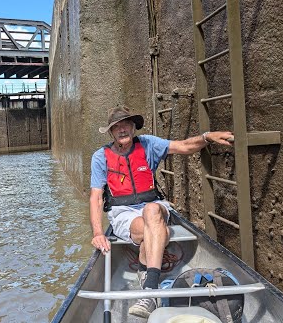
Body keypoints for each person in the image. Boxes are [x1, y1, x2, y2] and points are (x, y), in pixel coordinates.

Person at [89, 105, 234, 319]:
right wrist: (98, 233)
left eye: (126, 125)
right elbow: (96, 196)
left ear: (134, 127)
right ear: (111, 132)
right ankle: (144, 266)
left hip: (154, 207)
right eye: (117, 127)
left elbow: (184, 146)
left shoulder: (148, 144)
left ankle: (149, 288)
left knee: (152, 210)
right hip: (123, 213)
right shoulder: (100, 157)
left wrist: (207, 137)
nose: (122, 130)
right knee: (158, 233)